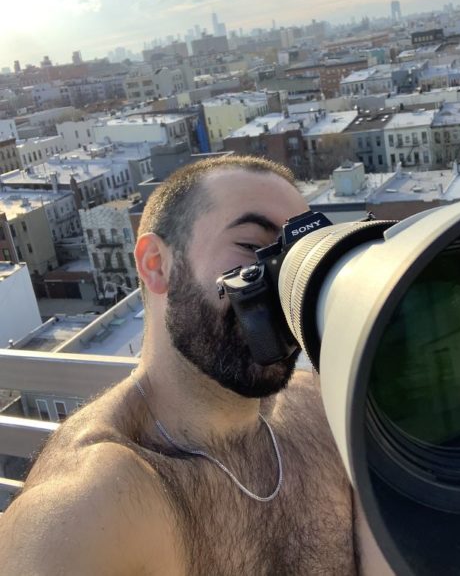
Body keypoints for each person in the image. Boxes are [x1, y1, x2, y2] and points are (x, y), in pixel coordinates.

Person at [0, 155, 392, 575]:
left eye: (298, 256)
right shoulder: (90, 504)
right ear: (157, 265)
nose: (283, 284)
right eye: (251, 246)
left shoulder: (324, 410)